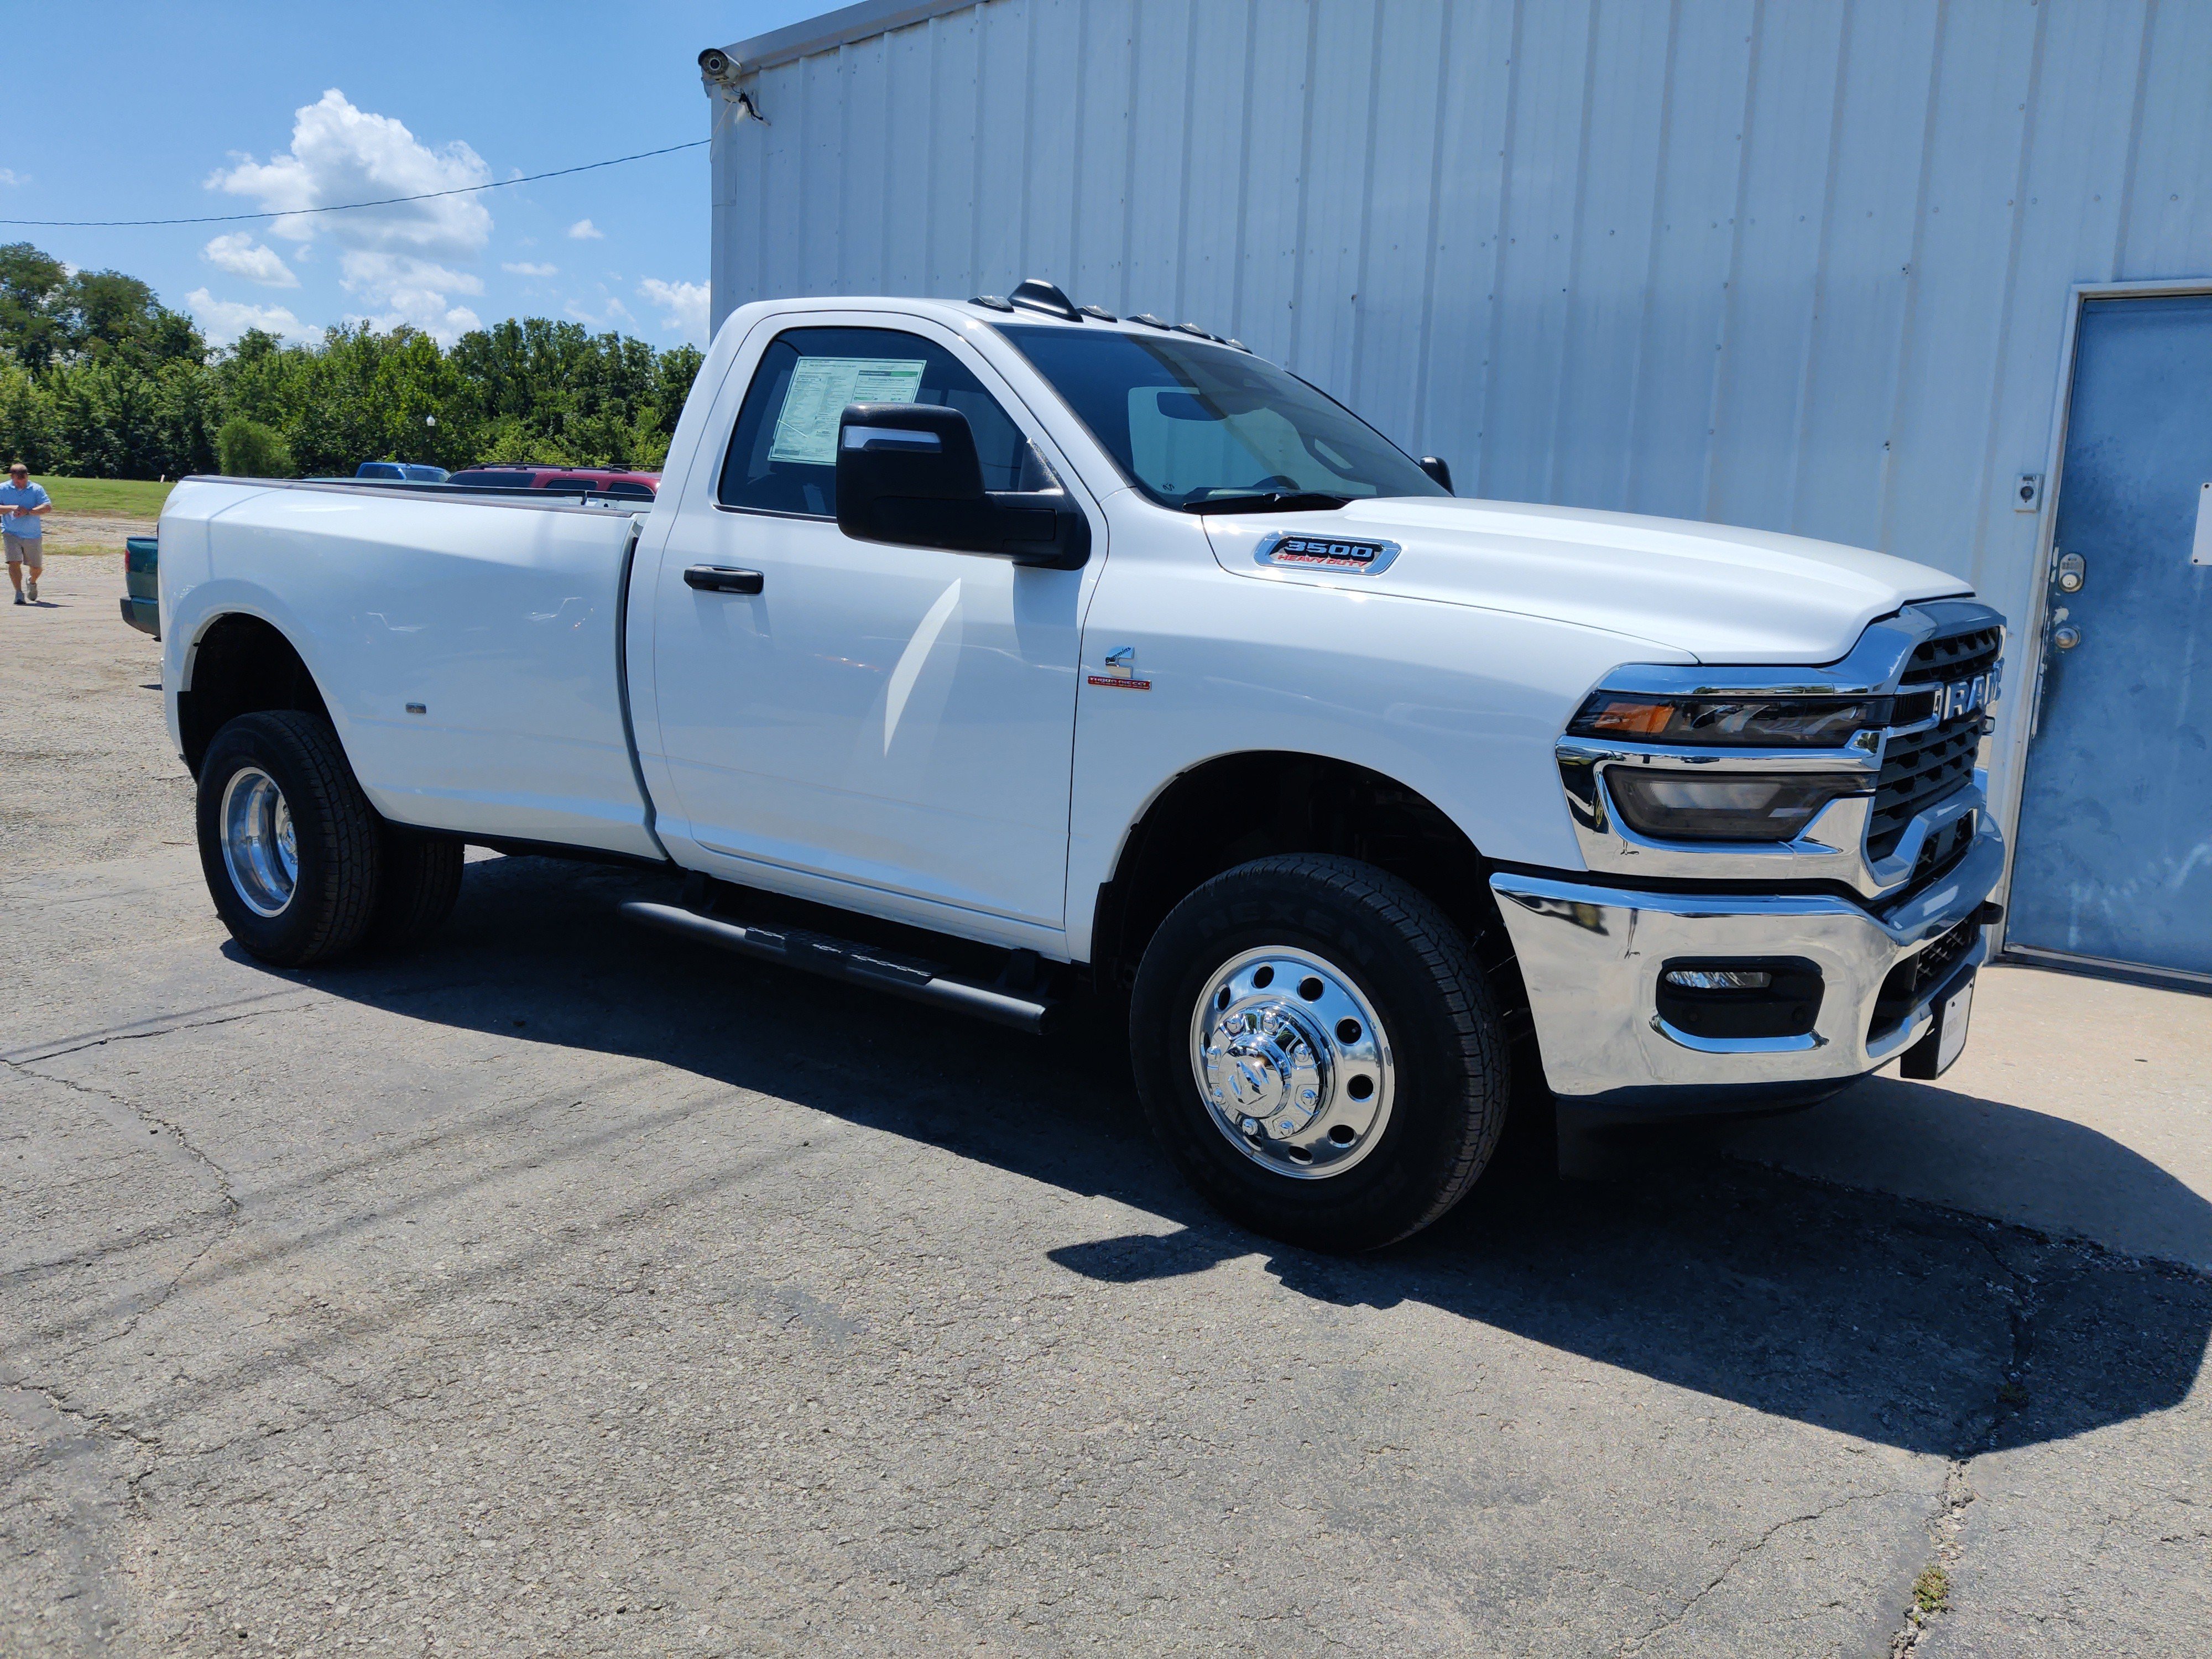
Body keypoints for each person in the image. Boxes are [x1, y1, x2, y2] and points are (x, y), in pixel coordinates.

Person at [2, 462, 53, 604]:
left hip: (32, 534)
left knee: (36, 568)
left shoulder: (36, 489)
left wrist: (29, 512)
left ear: (27, 476)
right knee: (14, 562)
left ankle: (32, 581)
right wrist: (12, 508)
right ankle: (18, 593)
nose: (20, 483)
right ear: (11, 477)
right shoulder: (3, 488)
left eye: (23, 480)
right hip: (10, 532)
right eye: (17, 480)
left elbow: (47, 507)